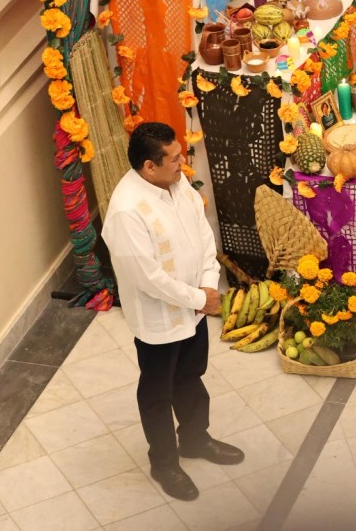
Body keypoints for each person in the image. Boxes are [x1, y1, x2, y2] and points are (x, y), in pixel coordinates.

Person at [102, 122, 244, 500]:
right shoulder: (126, 212)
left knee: (191, 376)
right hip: (159, 321)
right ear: (150, 166)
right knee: (157, 392)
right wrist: (200, 299)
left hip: (195, 305)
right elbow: (147, 277)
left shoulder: (177, 184)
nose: (183, 163)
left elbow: (201, 235)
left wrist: (209, 284)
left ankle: (196, 440)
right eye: (175, 158)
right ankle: (163, 462)